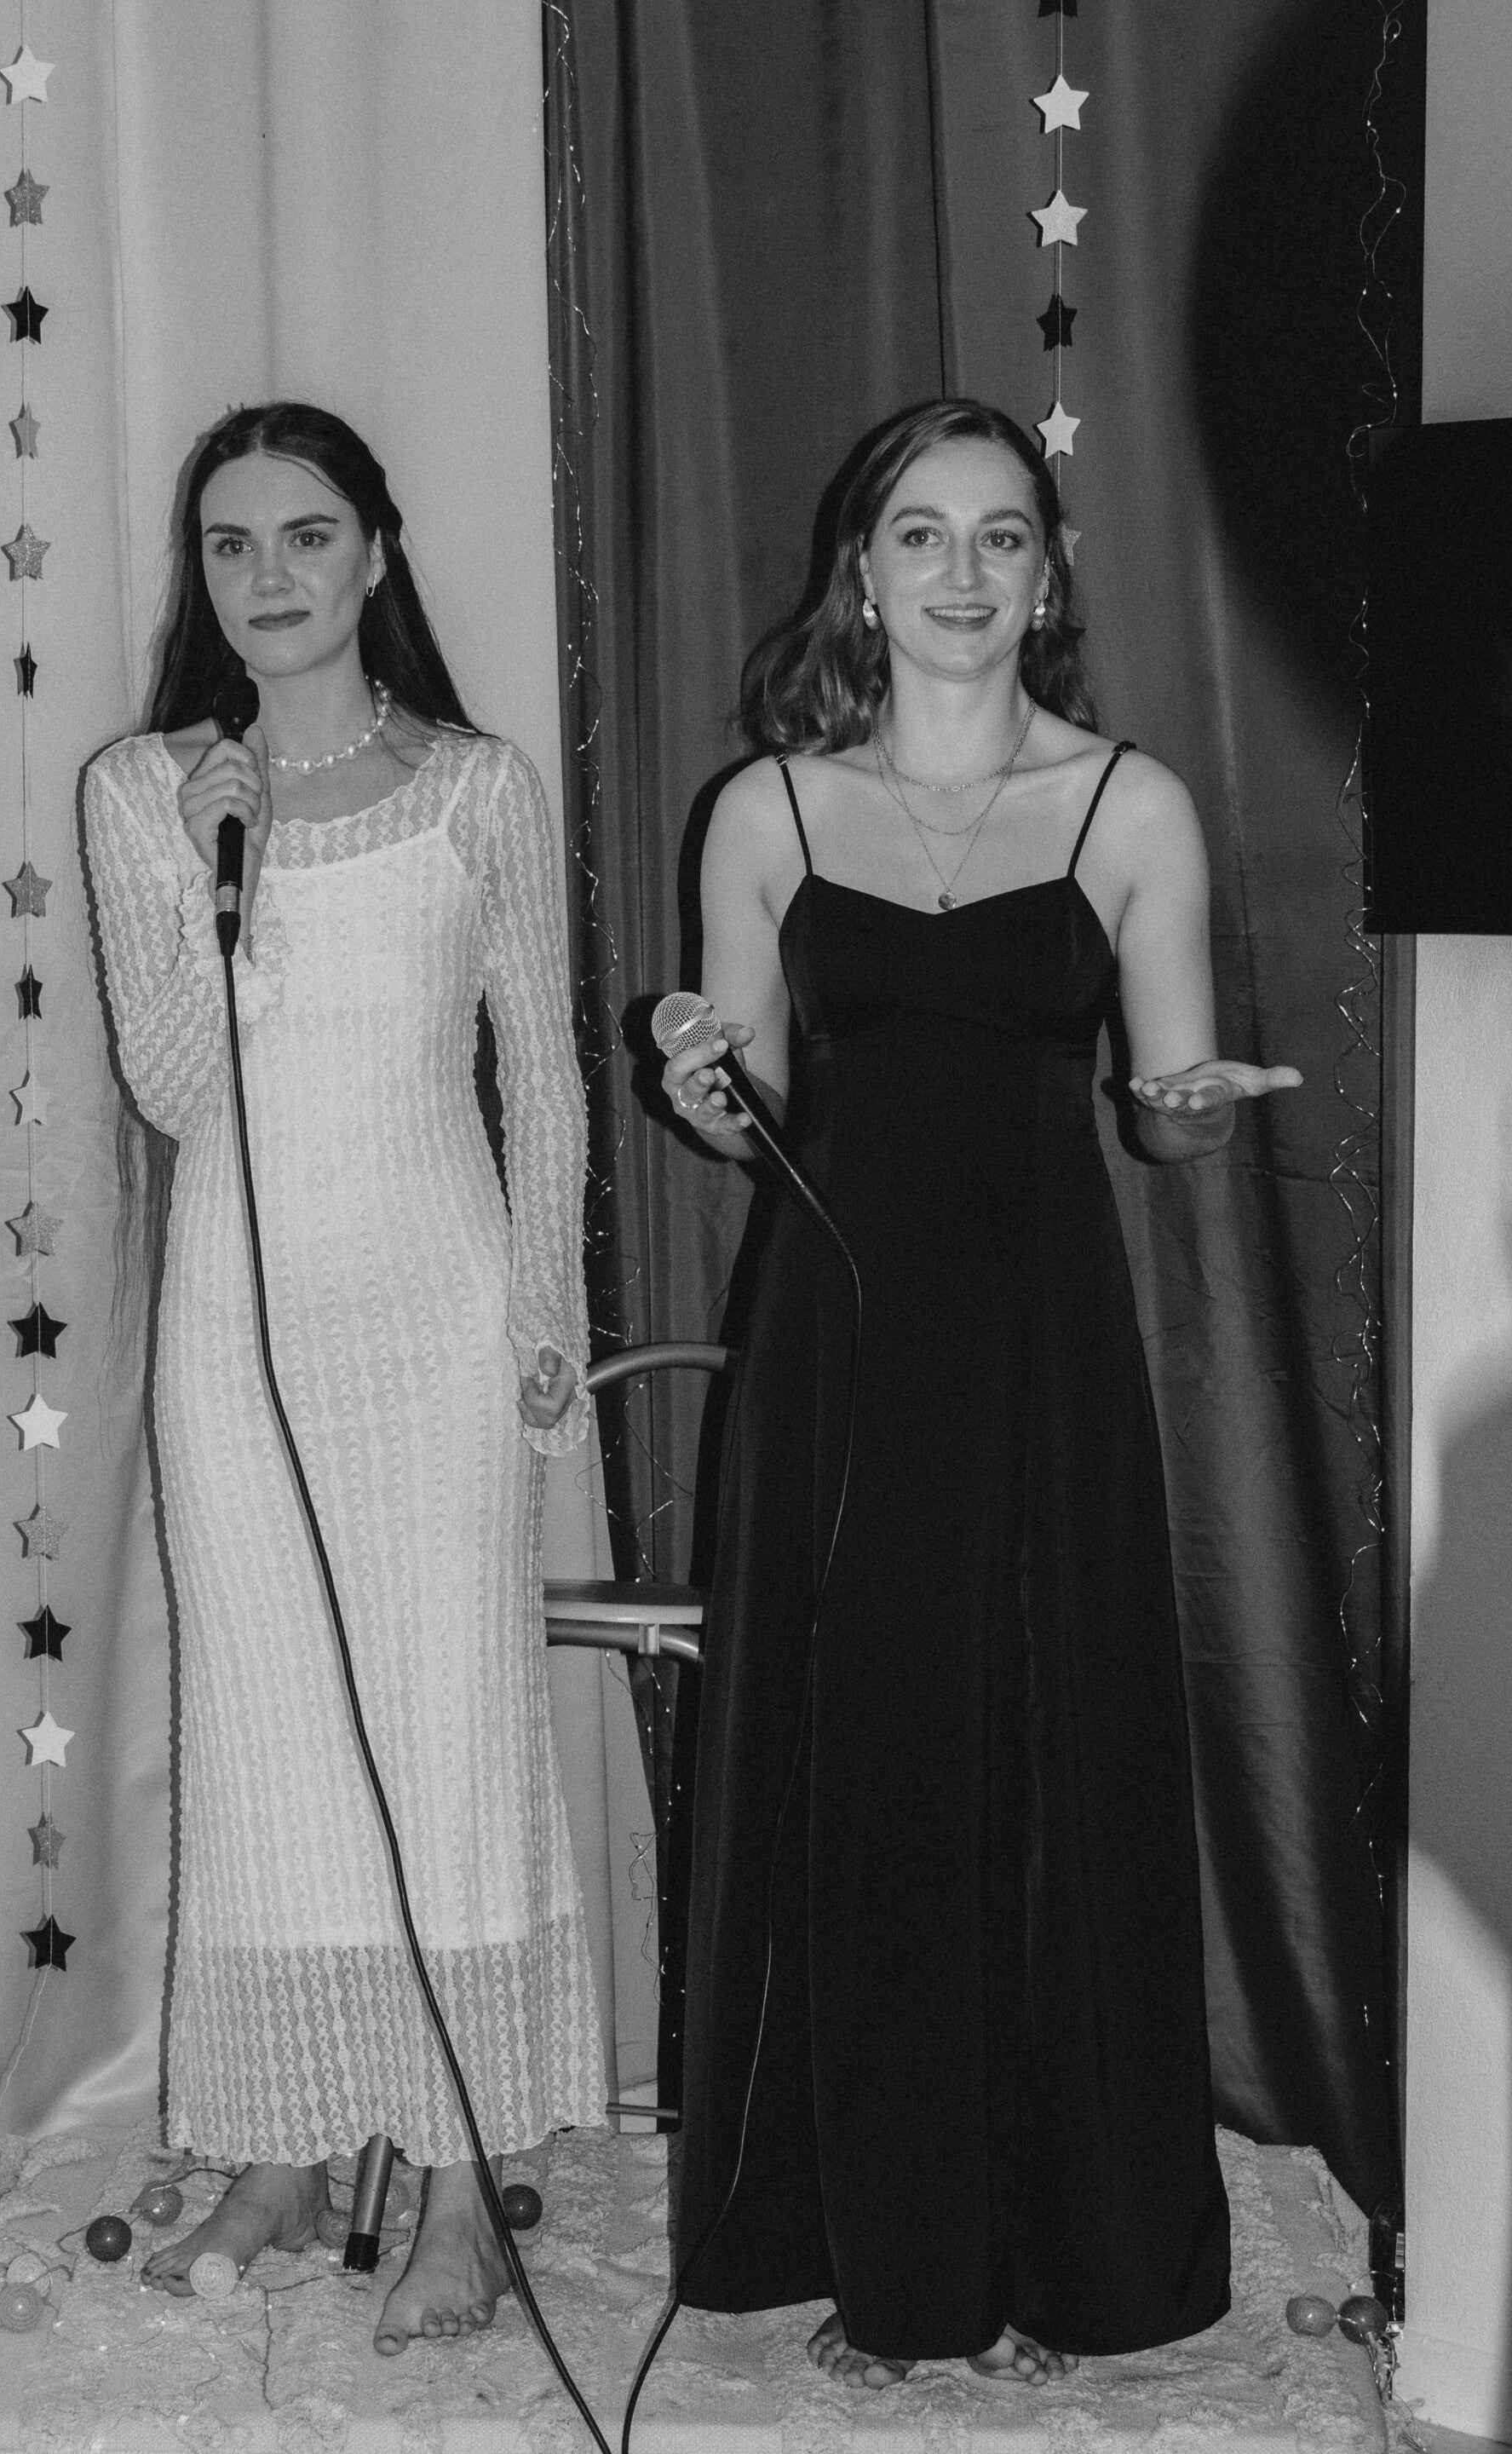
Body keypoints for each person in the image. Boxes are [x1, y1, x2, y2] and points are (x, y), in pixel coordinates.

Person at [662, 399, 1301, 2389]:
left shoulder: (1132, 808)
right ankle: (881, 2244)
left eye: (1001, 536)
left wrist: (1190, 1110)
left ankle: (1061, 2248)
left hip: (1042, 1353)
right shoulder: (767, 813)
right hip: (839, 1355)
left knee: (1046, 1765)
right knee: (864, 1769)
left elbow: (1167, 1117)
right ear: (861, 574)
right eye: (921, 536)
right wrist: (701, 1080)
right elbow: (749, 1113)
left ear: (1049, 572)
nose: (961, 573)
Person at [85, 402, 605, 2352]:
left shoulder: (477, 789)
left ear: (376, 555)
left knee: (450, 1739)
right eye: (231, 545)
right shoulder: (146, 791)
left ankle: (463, 2181)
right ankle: (290, 2144)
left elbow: (544, 1073)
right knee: (271, 1740)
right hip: (236, 1342)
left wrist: (546, 1319)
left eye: (308, 535)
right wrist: (213, 867)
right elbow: (171, 1085)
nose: (271, 576)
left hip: (437, 1328)